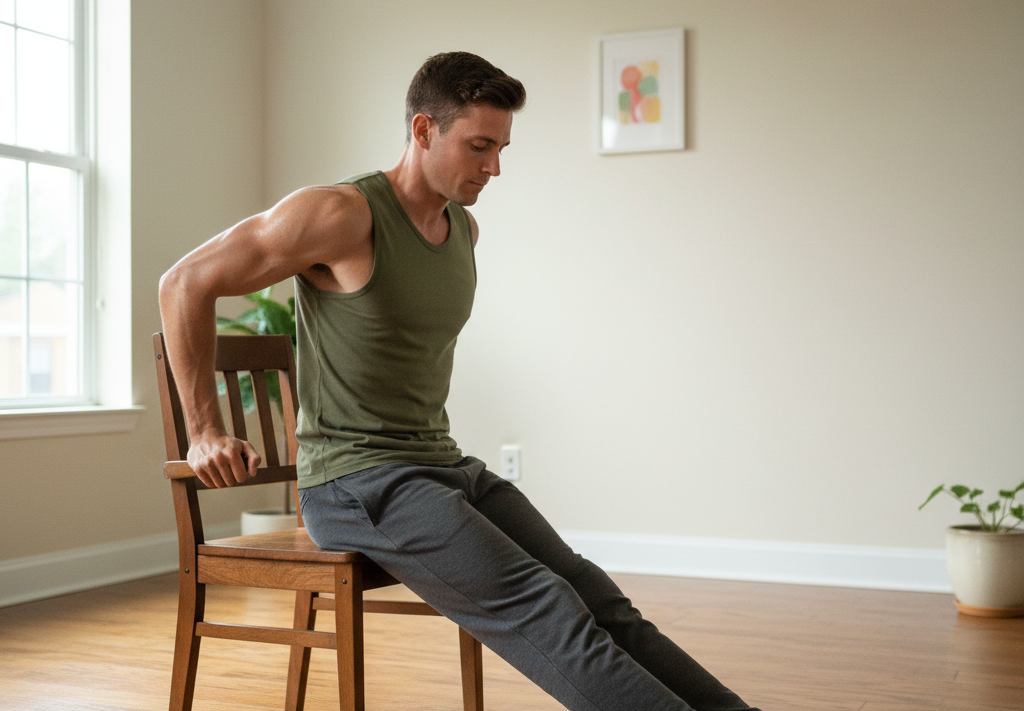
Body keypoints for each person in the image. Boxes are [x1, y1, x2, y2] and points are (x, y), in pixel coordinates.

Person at [159, 51, 759, 711]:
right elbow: (185, 281)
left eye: (502, 148)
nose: (494, 167)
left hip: (442, 466)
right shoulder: (340, 214)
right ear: (423, 132)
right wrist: (205, 429)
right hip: (357, 482)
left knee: (596, 595)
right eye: (479, 146)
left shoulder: (463, 230)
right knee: (546, 606)